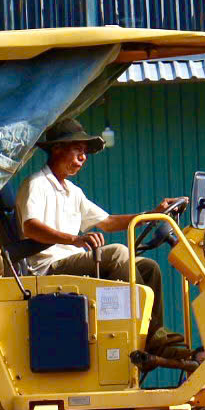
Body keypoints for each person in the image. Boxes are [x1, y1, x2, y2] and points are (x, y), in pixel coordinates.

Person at [16, 118, 186, 356]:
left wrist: (153, 214)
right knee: (118, 253)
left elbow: (107, 222)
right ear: (56, 148)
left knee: (149, 267)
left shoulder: (73, 192)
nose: (83, 158)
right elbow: (30, 227)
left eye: (85, 153)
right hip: (48, 269)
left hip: (73, 264)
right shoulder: (35, 184)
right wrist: (74, 239)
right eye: (78, 150)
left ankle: (151, 336)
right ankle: (143, 334)